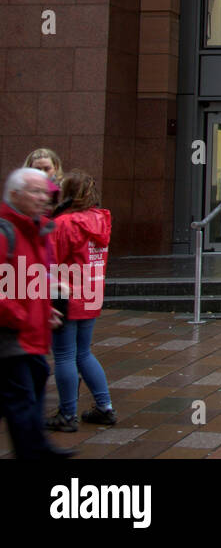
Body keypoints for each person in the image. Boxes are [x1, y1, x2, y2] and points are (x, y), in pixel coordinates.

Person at [0, 168, 73, 459]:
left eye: (45, 192)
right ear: (15, 195)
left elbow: (31, 280)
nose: (43, 197)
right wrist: (20, 316)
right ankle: (35, 451)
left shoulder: (37, 230)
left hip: (31, 333)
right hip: (11, 334)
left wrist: (45, 311)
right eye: (35, 191)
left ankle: (36, 447)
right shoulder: (6, 231)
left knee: (31, 386)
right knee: (21, 397)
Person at [46, 171, 115, 432]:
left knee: (64, 355)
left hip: (66, 294)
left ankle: (67, 414)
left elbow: (52, 262)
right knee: (84, 353)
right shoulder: (101, 219)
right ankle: (105, 407)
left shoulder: (64, 224)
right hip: (92, 293)